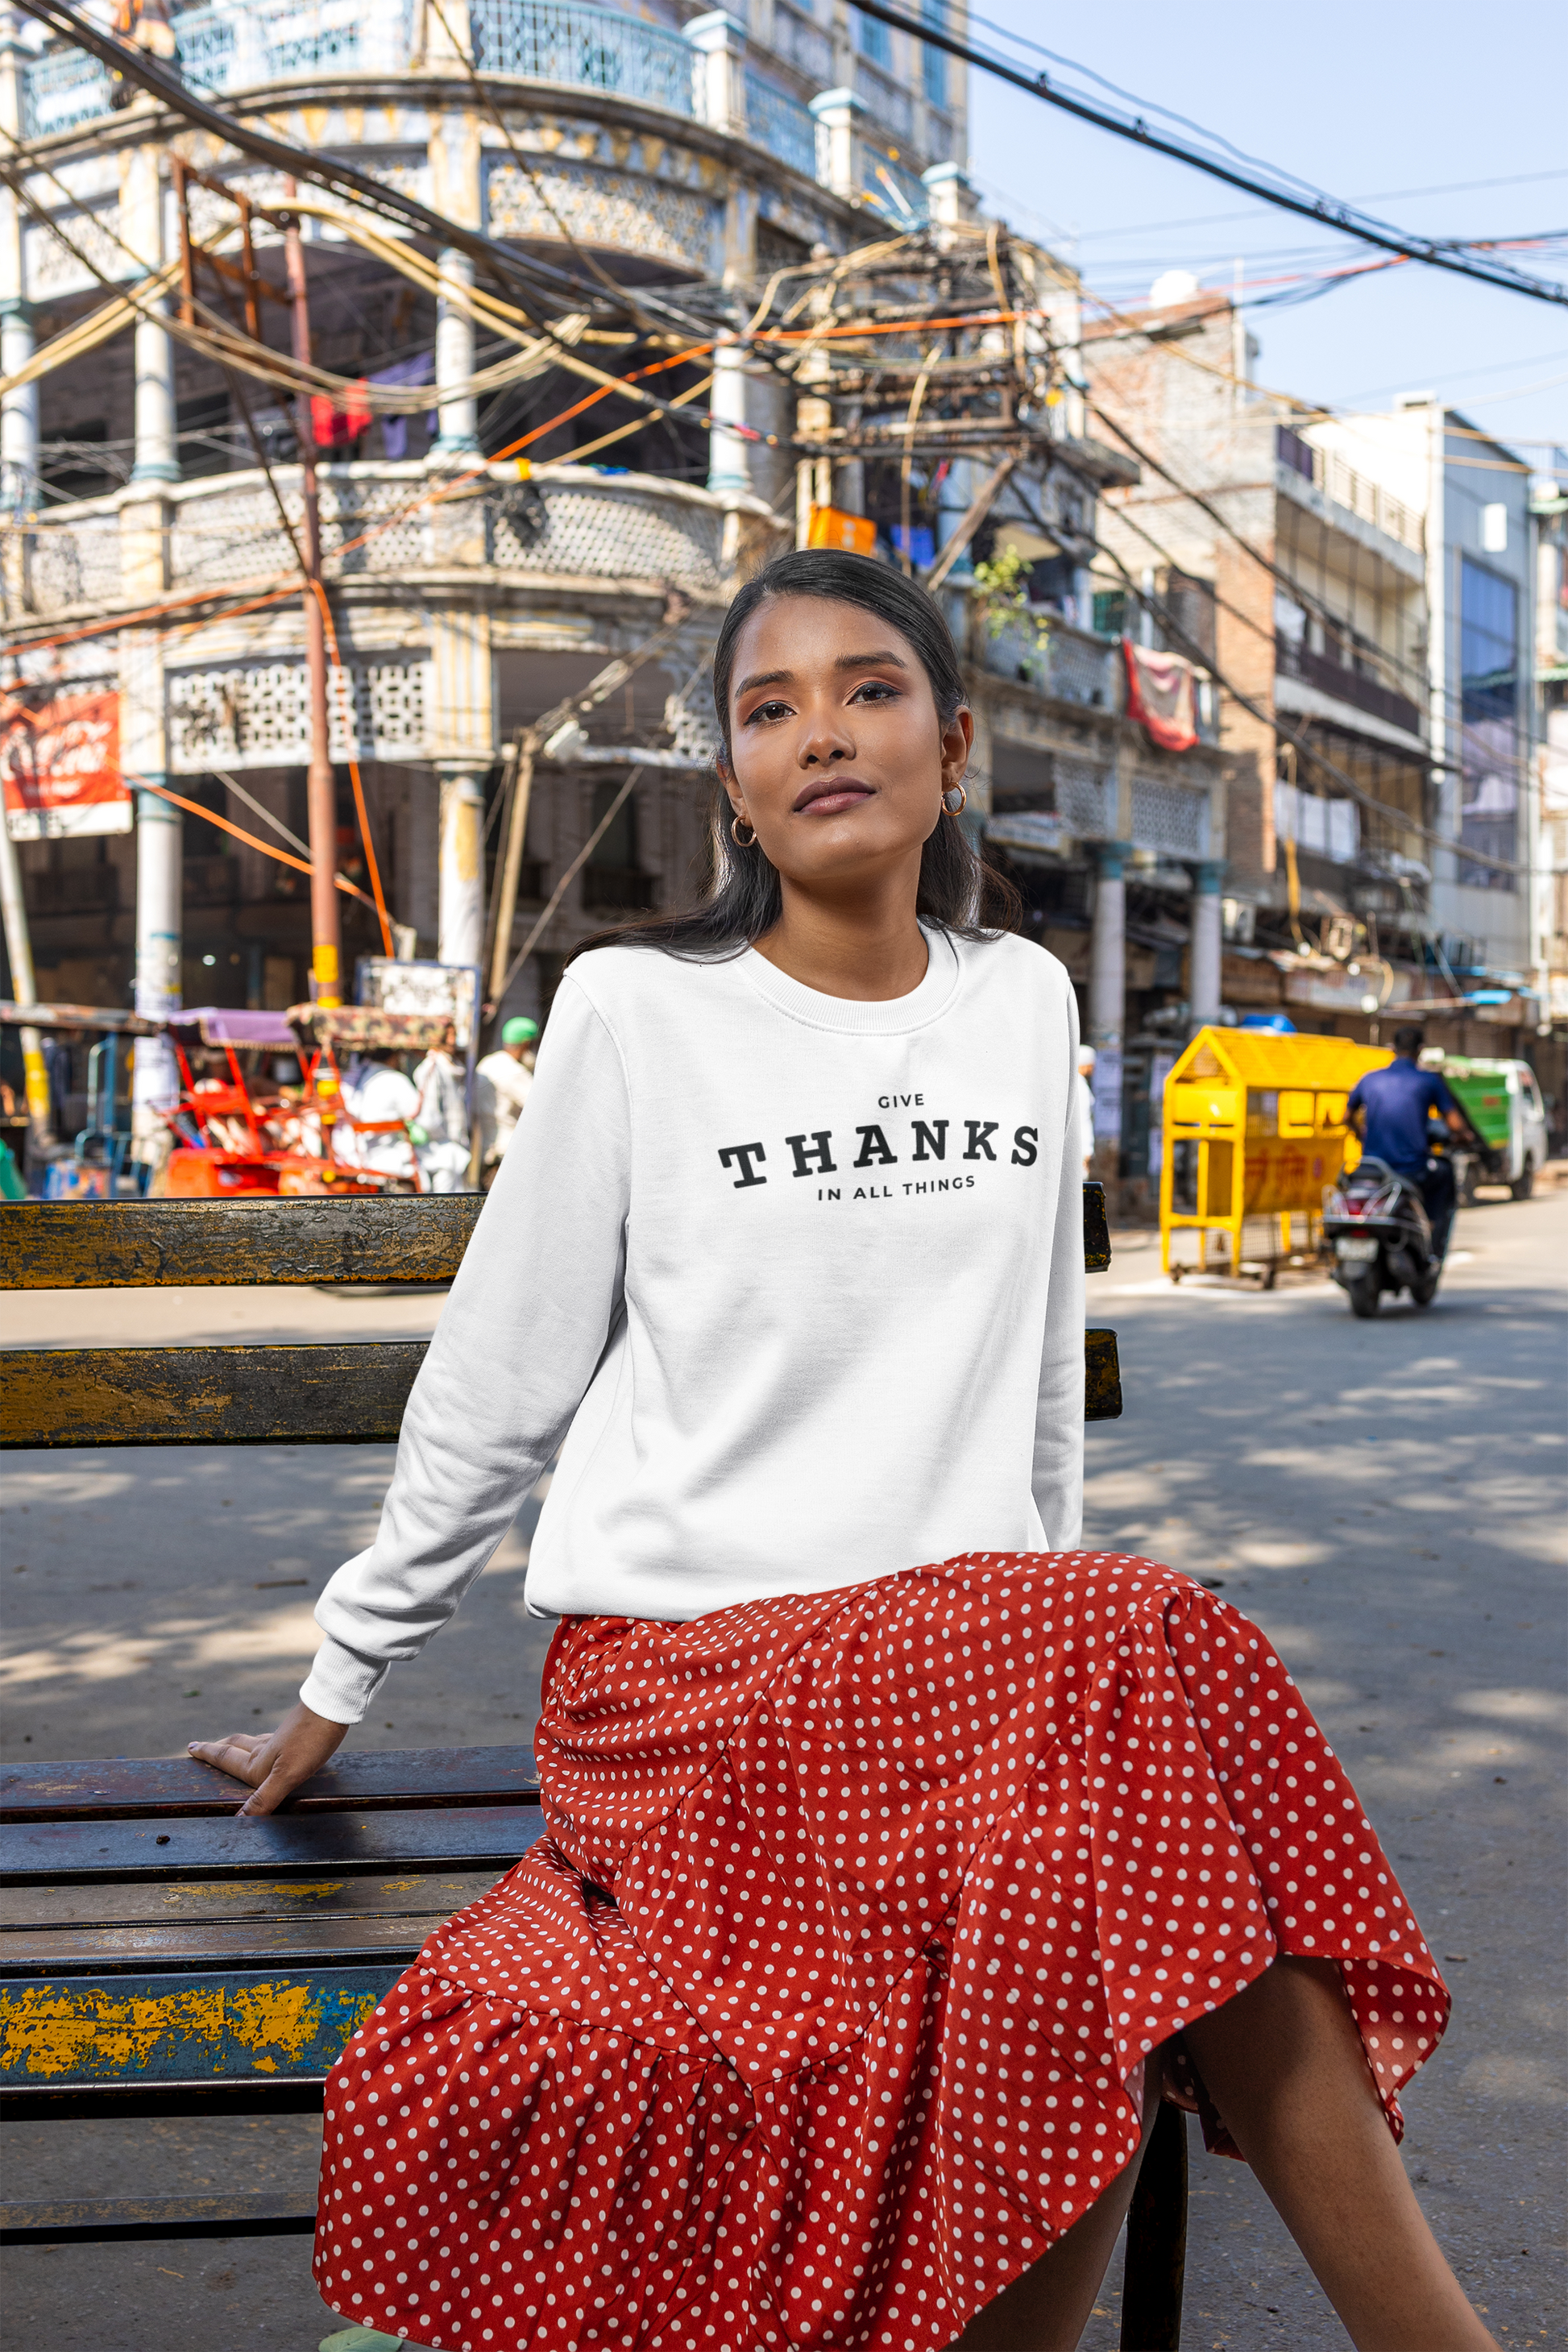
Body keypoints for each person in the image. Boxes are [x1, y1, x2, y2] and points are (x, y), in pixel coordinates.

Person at [192, 551, 1493, 2352]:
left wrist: (1027, 1673)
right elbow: (498, 1378)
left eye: (868, 688)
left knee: (1091, 1859)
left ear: (951, 743)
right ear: (728, 776)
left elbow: (1033, 1384)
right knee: (1137, 1686)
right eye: (767, 704)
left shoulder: (1025, 1003)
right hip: (690, 1700)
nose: (820, 731)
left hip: (971, 1693)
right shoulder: (638, 1014)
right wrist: (337, 1679)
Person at [1346, 1025, 1471, 1262]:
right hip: (1411, 1170)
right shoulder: (1428, 1081)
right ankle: (1432, 1234)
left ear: (1392, 1049)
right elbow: (1456, 1125)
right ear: (1420, 1051)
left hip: (1371, 1169)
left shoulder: (1369, 1079)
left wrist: (1361, 1134)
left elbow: (1346, 1117)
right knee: (1444, 1173)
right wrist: (1465, 1137)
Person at [334, 1045, 420, 1182]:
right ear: (396, 1056)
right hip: (384, 1158)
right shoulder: (394, 1078)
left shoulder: (358, 1074)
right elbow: (421, 1115)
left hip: (352, 1153)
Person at [409, 1020, 472, 1194]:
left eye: (453, 1035)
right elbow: (429, 1118)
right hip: (441, 1152)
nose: (452, 1041)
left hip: (453, 1148)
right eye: (447, 1036)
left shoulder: (451, 1066)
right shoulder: (431, 1069)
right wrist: (447, 1141)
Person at [472, 1013, 537, 1178]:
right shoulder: (512, 1070)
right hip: (508, 1154)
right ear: (525, 1044)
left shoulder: (487, 1063)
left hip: (488, 1151)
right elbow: (541, 1106)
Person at [1077, 1040, 1097, 1177]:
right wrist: (1087, 1150)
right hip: (1079, 1148)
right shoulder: (1080, 1086)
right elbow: (1083, 1119)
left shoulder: (1074, 1082)